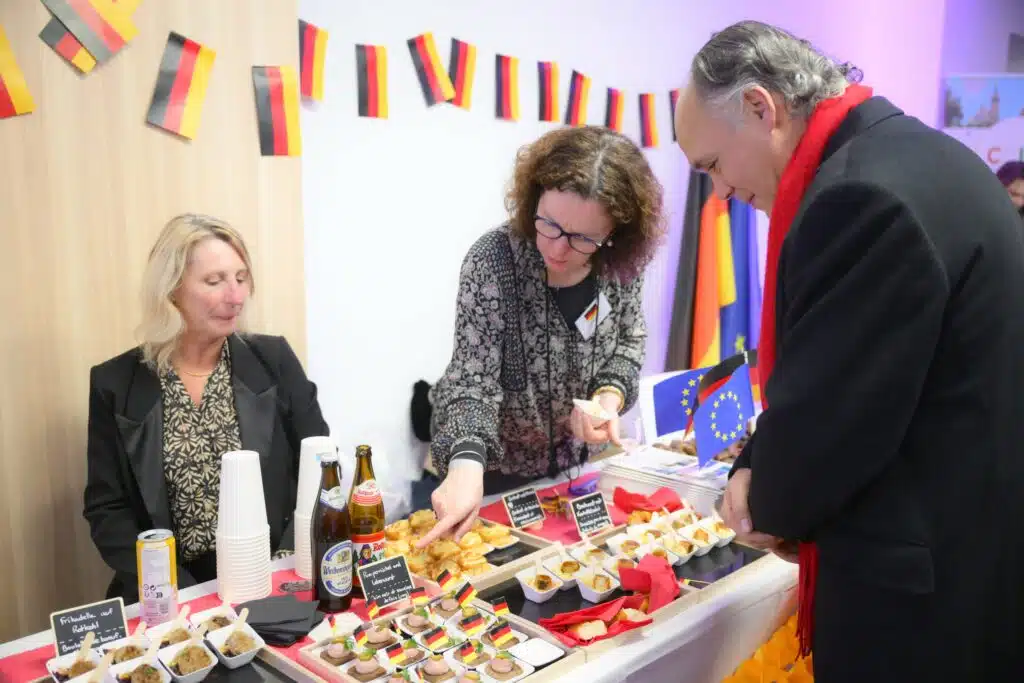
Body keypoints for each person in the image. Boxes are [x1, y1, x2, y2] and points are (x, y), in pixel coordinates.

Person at [674, 21, 1024, 682]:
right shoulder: (922, 156)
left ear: (760, 107)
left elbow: (833, 417)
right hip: (973, 554)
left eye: (713, 166)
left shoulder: (859, 198)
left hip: (921, 607)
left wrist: (763, 494)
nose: (719, 194)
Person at [416, 126, 664, 546]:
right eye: (549, 224)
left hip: (573, 472)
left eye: (583, 238)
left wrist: (607, 397)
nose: (559, 249)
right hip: (488, 471)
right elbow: (472, 380)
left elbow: (629, 340)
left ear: (614, 237)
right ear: (533, 200)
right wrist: (466, 462)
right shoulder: (494, 260)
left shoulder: (621, 267)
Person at [83, 214, 329, 601]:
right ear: (171, 289)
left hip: (273, 576)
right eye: (214, 282)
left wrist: (284, 567)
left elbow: (318, 468)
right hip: (171, 589)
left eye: (241, 278)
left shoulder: (274, 360)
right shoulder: (116, 384)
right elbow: (107, 510)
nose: (235, 296)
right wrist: (175, 590)